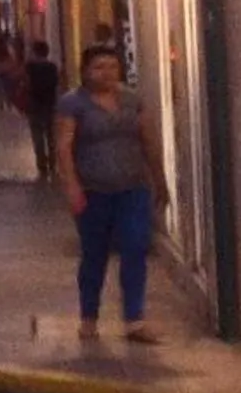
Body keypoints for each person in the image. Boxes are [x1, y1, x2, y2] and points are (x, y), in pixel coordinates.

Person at [56, 47, 171, 344]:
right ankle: (89, 318)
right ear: (85, 71)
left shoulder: (132, 100)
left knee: (135, 249)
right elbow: (64, 147)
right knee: (94, 255)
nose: (106, 73)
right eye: (99, 67)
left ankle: (134, 319)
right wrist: (72, 186)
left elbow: (148, 139)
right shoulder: (73, 104)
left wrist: (159, 179)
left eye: (112, 66)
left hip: (133, 188)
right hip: (93, 191)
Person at [21, 38, 61, 182]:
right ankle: (53, 163)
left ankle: (41, 164)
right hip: (50, 104)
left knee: (37, 136)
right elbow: (57, 85)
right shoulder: (52, 67)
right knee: (51, 136)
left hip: (34, 104)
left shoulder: (29, 67)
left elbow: (24, 83)